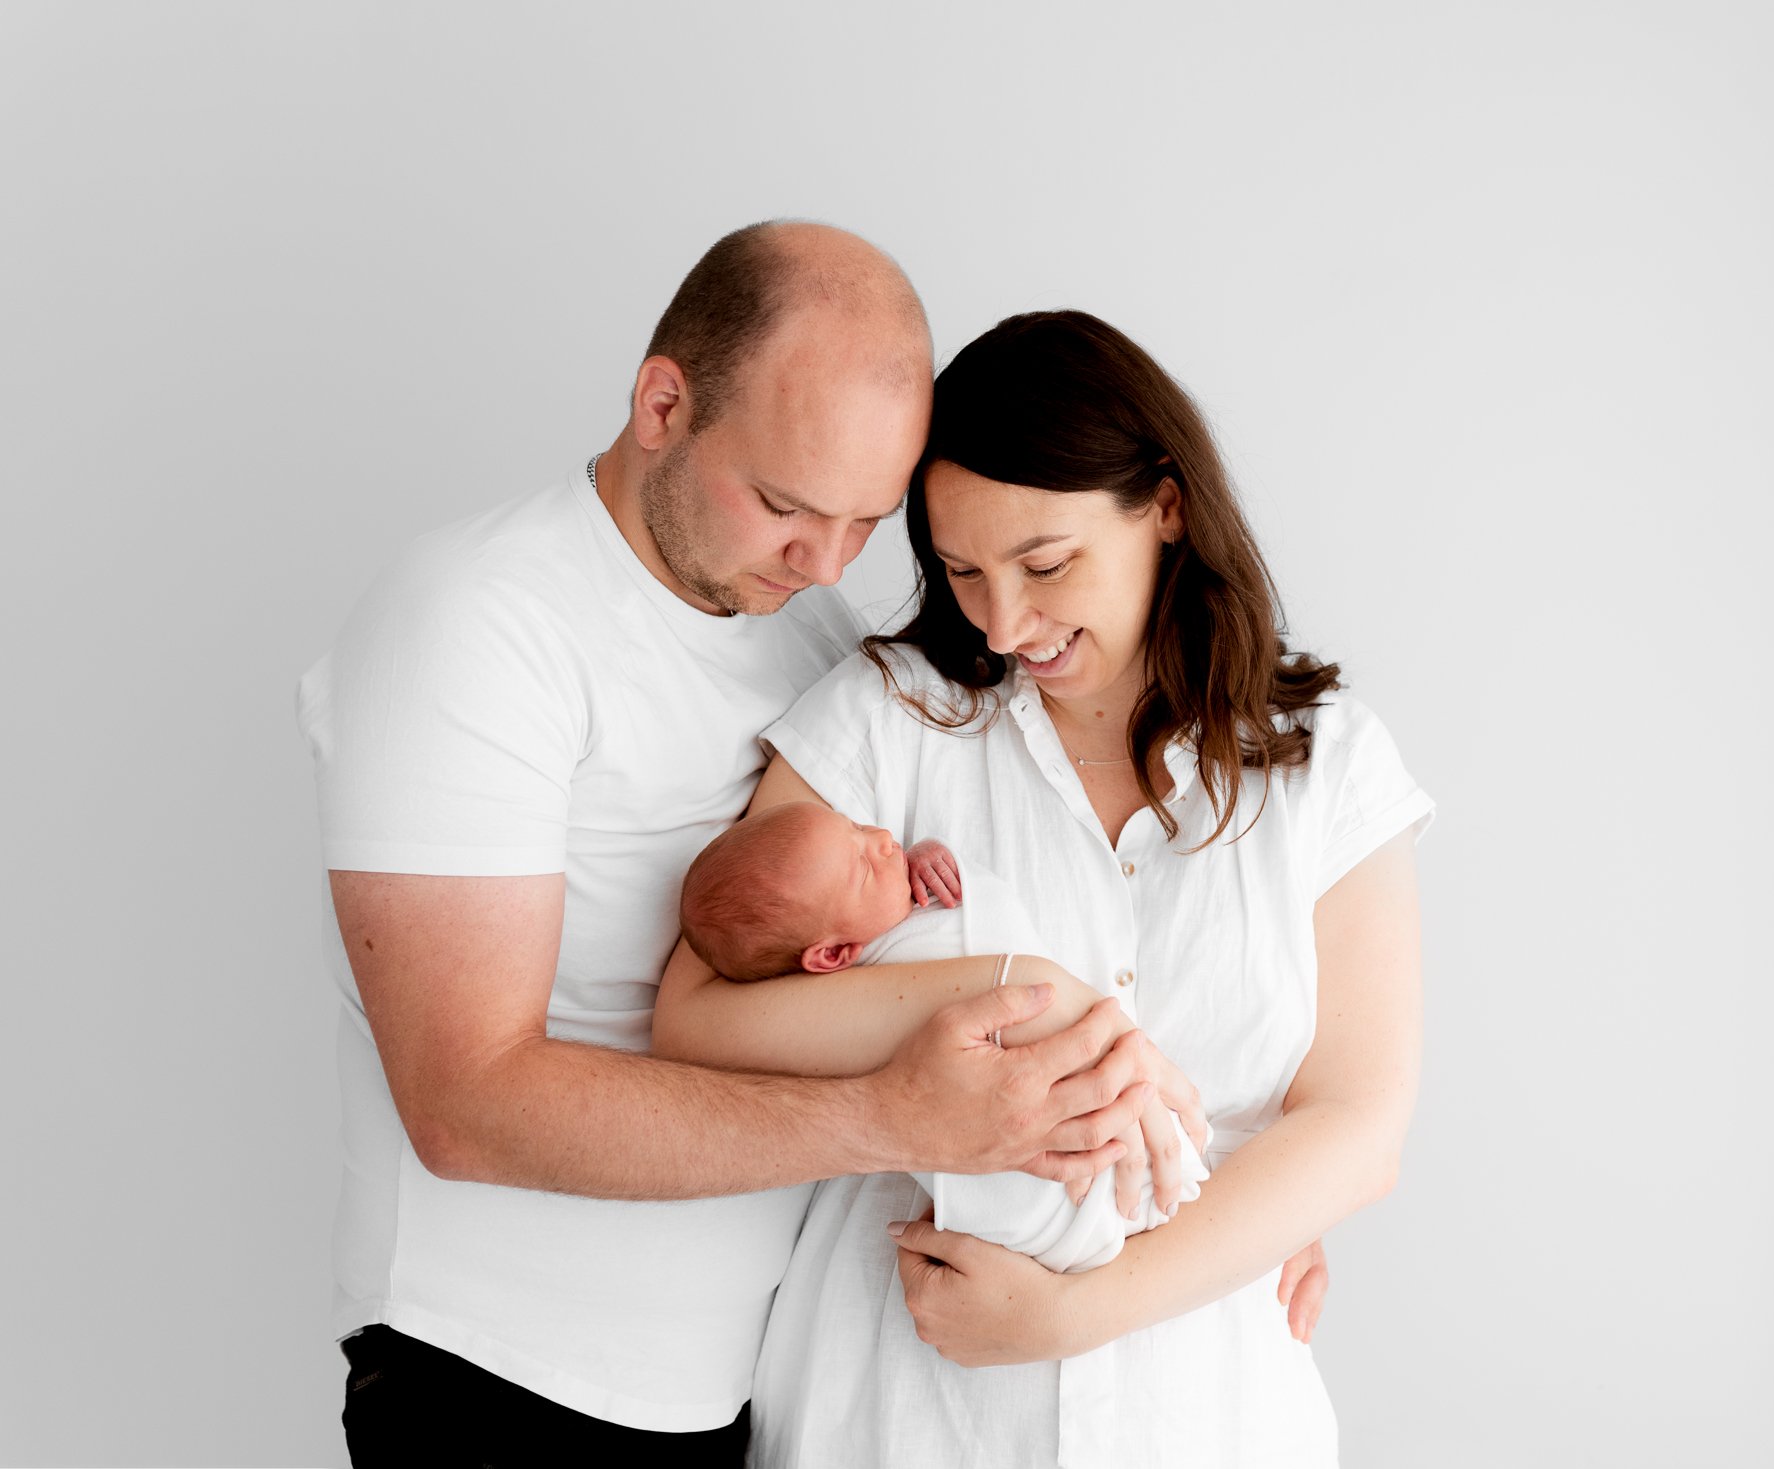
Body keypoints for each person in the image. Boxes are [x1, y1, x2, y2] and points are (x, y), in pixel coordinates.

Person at [296, 223, 1191, 1464]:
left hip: (749, 1392)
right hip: (503, 1382)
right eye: (783, 504)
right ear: (663, 402)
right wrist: (896, 1117)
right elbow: (466, 1102)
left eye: (867, 523)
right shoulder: (479, 624)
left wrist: (1215, 1199)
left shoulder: (815, 643)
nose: (822, 562)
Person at [650, 309, 1431, 1466]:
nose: (1005, 622)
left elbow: (1357, 1127)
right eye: (963, 570)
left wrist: (1074, 1315)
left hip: (1203, 1409)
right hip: (902, 1406)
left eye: (1045, 563)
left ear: (1164, 505)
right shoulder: (888, 715)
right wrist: (1008, 984)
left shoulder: (1325, 763)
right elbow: (697, 1017)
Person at [677, 800, 1208, 1270]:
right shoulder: (848, 1003)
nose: (884, 840)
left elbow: (959, 900)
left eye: (859, 826)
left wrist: (925, 855)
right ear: (835, 955)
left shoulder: (894, 893)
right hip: (1030, 1168)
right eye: (864, 866)